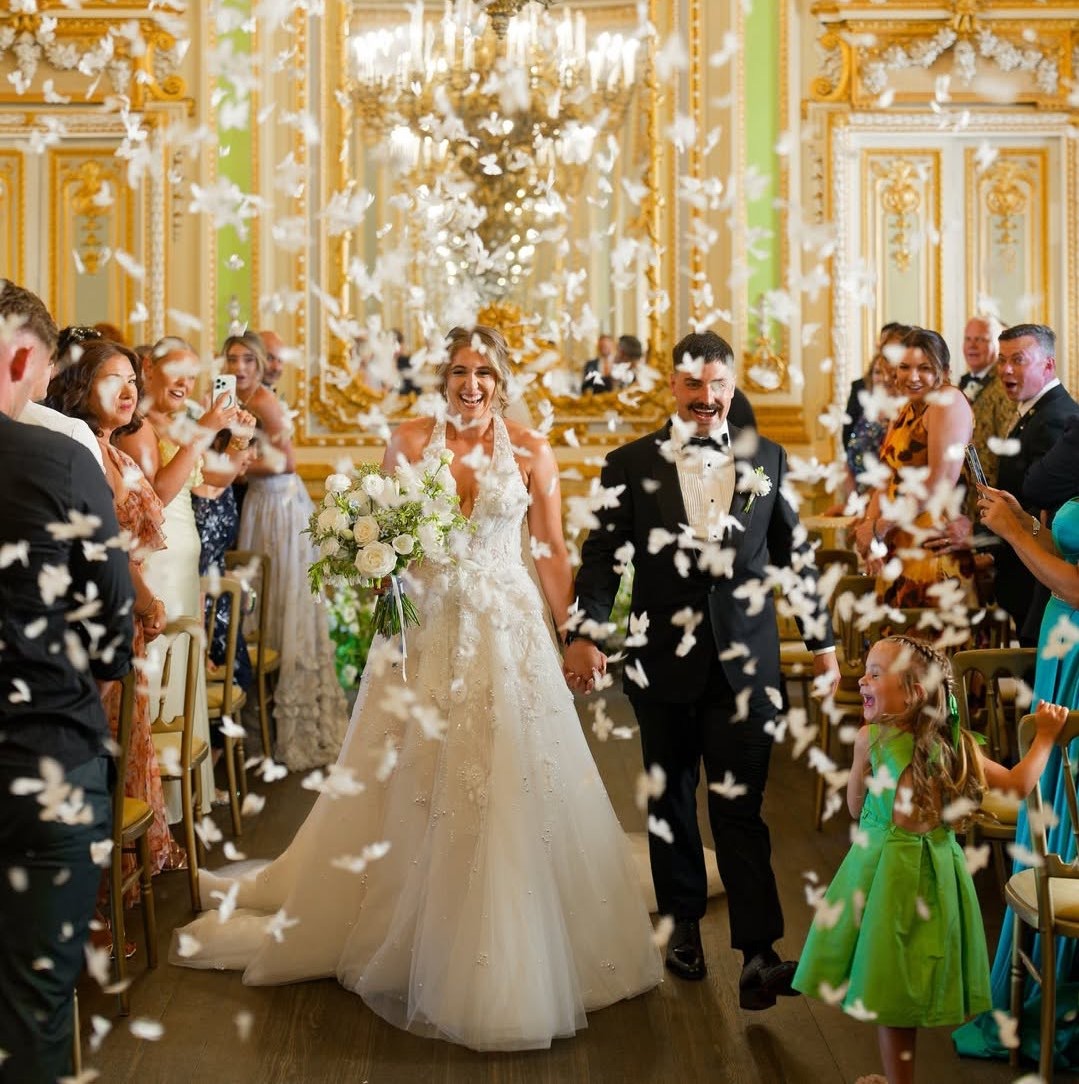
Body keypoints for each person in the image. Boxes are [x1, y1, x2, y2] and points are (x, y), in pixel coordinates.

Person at [171, 324, 662, 1051]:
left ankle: (516, 932)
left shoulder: (532, 449)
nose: (472, 384)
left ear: (502, 382)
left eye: (484, 373)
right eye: (460, 371)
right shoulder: (406, 441)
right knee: (409, 774)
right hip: (423, 632)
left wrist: (577, 635)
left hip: (507, 632)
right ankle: (402, 918)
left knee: (511, 772)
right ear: (443, 379)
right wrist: (376, 570)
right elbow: (380, 539)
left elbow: (551, 551)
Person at [564, 330, 840, 1008]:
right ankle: (682, 922)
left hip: (746, 663)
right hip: (662, 658)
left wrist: (824, 644)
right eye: (693, 384)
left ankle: (758, 952)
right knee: (671, 798)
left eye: (718, 384)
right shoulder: (628, 464)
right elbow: (601, 559)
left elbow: (794, 559)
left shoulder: (767, 458)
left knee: (741, 806)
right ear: (672, 386)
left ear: (731, 385)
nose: (707, 397)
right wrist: (584, 633)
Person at [794, 635, 1068, 1084]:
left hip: (886, 880)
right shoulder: (956, 744)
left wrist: (862, 775)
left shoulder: (870, 740)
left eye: (875, 674)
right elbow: (1019, 785)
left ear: (913, 694)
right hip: (937, 877)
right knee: (913, 978)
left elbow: (854, 807)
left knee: (890, 991)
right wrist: (1045, 738)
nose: (861, 680)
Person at [0, 285, 134, 1083]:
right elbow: (114, 633)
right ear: (25, 358)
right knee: (35, 1006)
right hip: (44, 759)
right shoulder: (59, 460)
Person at [953, 484, 1079, 1066]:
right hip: (1063, 653)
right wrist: (1028, 524)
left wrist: (1010, 535)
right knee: (1049, 803)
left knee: (1067, 815)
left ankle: (1058, 991)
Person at [47, 331, 176, 876]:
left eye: (131, 380)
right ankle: (101, 889)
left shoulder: (110, 448)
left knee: (127, 740)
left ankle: (124, 877)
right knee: (104, 746)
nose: (128, 391)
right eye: (112, 380)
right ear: (81, 384)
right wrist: (147, 604)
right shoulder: (80, 450)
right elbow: (109, 550)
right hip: (104, 616)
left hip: (127, 612)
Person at [118, 336, 251, 816]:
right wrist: (203, 432)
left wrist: (237, 438)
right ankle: (157, 802)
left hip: (182, 566)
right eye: (178, 372)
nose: (186, 385)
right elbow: (155, 497)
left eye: (193, 377)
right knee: (160, 670)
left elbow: (210, 481)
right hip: (157, 565)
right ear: (148, 368)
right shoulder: (136, 428)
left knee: (183, 670)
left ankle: (186, 796)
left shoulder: (175, 424)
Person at [224, 331, 348, 770]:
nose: (239, 368)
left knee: (282, 602)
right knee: (262, 605)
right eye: (232, 359)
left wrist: (237, 468)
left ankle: (292, 727)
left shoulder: (264, 402)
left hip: (277, 505)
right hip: (259, 505)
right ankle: (262, 725)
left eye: (248, 360)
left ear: (259, 366)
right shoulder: (233, 399)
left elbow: (287, 461)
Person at [853, 327, 977, 608]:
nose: (913, 376)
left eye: (925, 368)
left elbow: (939, 483)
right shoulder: (904, 408)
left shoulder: (948, 401)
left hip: (933, 549)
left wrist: (880, 527)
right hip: (898, 546)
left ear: (944, 371)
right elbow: (885, 480)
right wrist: (871, 534)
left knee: (927, 636)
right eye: (905, 367)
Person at [992, 324, 1079, 644]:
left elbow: (1039, 493)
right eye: (1001, 360)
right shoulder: (1034, 412)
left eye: (1018, 359)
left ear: (1048, 364)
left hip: (1048, 581)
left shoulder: (1057, 416)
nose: (1006, 369)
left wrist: (1011, 531)